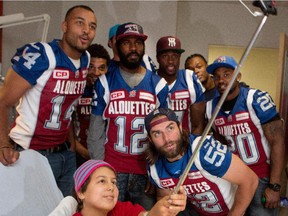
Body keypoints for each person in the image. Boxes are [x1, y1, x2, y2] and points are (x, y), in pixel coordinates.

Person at [0, 5, 97, 197]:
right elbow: (3, 101)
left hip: (64, 154)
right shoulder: (42, 55)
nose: (87, 30)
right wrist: (3, 144)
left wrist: (70, 145)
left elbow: (66, 106)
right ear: (64, 26)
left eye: (92, 26)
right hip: (31, 152)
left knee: (66, 208)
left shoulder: (85, 59)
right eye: (80, 23)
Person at [87, 22, 169, 210]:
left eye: (138, 43)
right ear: (117, 46)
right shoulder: (105, 83)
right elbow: (95, 132)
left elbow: (165, 136)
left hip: (145, 171)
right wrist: (100, 169)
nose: (133, 48)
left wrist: (157, 172)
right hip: (113, 169)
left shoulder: (158, 85)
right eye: (127, 43)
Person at [205, 55, 285, 216]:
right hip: (234, 178)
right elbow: (221, 143)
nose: (221, 80)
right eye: (217, 76)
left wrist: (275, 185)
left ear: (238, 75)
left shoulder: (255, 99)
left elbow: (278, 142)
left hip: (262, 177)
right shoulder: (210, 107)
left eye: (227, 74)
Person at [145, 108, 259, 216]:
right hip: (197, 212)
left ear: (180, 127)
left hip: (231, 211)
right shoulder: (155, 167)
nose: (167, 139)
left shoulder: (202, 149)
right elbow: (165, 202)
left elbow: (250, 180)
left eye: (170, 128)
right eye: (157, 134)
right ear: (150, 139)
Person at [72, 159, 187, 216]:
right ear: (81, 192)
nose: (111, 187)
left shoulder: (120, 209)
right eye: (102, 181)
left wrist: (162, 209)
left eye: (114, 182)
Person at [156, 36, 205, 134]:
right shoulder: (150, 80)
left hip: (185, 144)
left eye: (175, 56)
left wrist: (192, 148)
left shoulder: (190, 78)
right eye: (165, 56)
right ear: (157, 58)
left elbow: (197, 125)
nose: (170, 61)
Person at [73, 43, 110, 167]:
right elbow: (66, 125)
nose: (96, 72)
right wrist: (82, 152)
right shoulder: (75, 89)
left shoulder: (111, 93)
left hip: (104, 155)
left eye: (101, 68)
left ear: (107, 70)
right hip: (77, 155)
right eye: (91, 67)